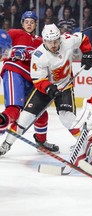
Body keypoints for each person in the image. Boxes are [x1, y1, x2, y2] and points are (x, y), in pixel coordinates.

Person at [1, 23, 92, 153]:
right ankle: (6, 144)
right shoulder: (39, 55)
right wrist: (49, 89)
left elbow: (82, 38)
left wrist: (88, 52)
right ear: (44, 40)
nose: (54, 45)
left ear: (59, 38)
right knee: (25, 117)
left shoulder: (67, 40)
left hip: (64, 86)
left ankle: (86, 145)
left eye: (56, 41)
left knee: (67, 118)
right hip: (44, 88)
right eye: (50, 42)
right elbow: (38, 80)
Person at [0, 11, 58, 156]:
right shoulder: (15, 33)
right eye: (26, 21)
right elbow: (4, 46)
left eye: (32, 21)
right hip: (15, 71)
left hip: (33, 79)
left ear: (36, 24)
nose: (29, 24)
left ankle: (41, 141)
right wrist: (12, 53)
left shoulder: (41, 41)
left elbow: (51, 55)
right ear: (22, 23)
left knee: (40, 112)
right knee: (14, 109)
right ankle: (4, 140)